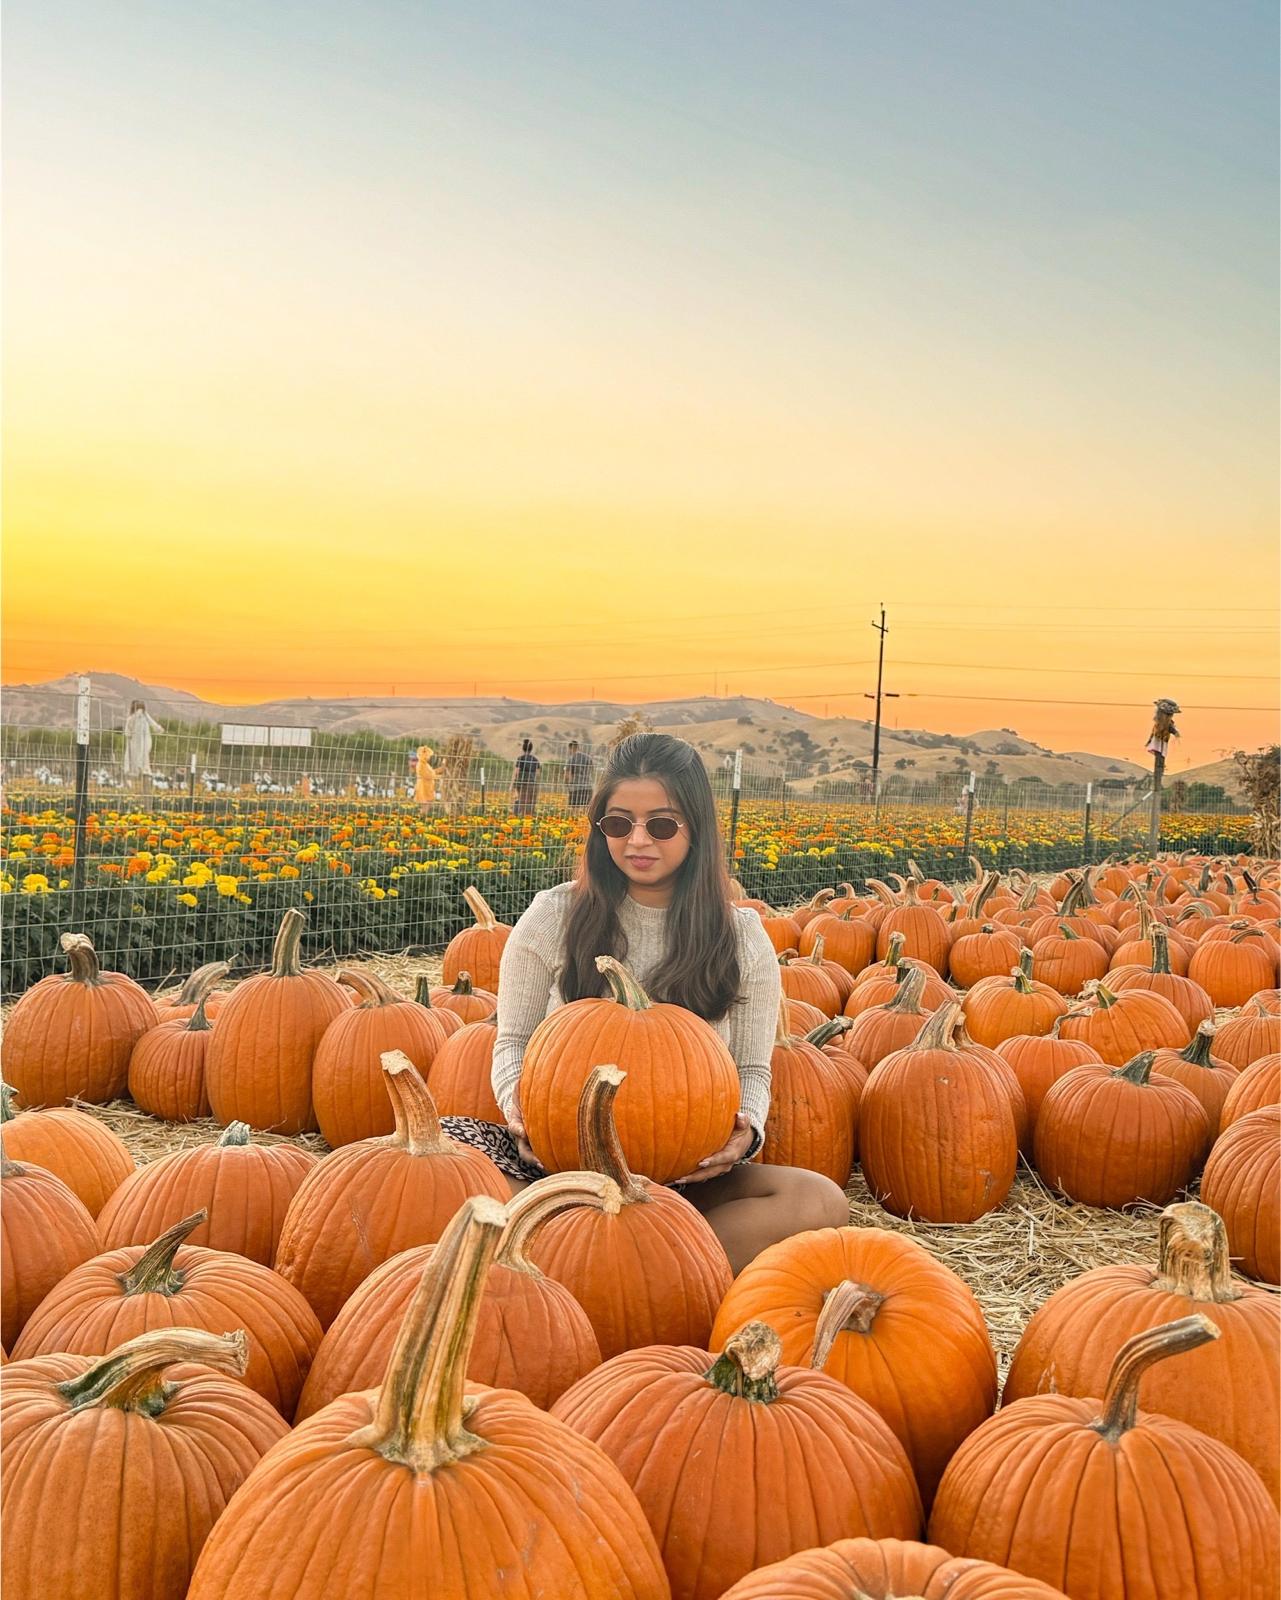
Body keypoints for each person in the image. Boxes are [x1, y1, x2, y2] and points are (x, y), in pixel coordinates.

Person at [440, 732, 848, 1274]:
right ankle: (652, 1271)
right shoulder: (552, 917)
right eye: (618, 823)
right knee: (431, 1169)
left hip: (679, 1174)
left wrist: (747, 1130)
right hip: (558, 1167)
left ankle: (601, 1272)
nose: (638, 840)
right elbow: (512, 1040)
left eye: (661, 825)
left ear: (696, 827)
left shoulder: (741, 937)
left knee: (819, 1200)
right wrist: (518, 1109)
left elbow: (752, 1068)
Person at [122, 700, 163, 786]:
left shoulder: (142, 717)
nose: (139, 712)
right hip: (137, 742)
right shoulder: (136, 717)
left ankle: (140, 773)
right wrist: (158, 729)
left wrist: (158, 729)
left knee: (140, 756)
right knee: (139, 757)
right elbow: (128, 730)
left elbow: (128, 731)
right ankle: (139, 773)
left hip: (142, 741)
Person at [511, 738, 540, 815]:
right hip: (532, 784)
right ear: (531, 749)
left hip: (522, 784)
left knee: (521, 802)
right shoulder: (535, 760)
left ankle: (520, 816)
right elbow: (538, 774)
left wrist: (513, 785)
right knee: (531, 803)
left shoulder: (520, 759)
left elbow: (516, 772)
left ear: (523, 748)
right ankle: (529, 817)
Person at [565, 739, 593, 807]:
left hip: (575, 787)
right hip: (588, 786)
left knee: (574, 808)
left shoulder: (571, 759)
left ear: (570, 748)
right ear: (578, 747)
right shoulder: (588, 758)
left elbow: (567, 774)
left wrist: (566, 783)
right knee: (586, 807)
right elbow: (592, 770)